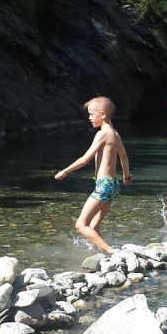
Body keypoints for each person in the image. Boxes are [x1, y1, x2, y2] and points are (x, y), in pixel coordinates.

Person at [54, 96, 132, 253]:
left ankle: (111, 251)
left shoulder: (102, 134)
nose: (89, 118)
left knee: (81, 225)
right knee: (94, 226)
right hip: (113, 185)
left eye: (91, 114)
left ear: (102, 114)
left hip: (104, 185)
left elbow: (85, 159)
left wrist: (65, 171)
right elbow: (123, 156)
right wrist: (126, 176)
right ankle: (103, 253)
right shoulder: (115, 134)